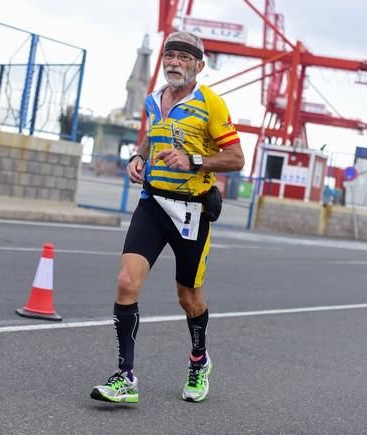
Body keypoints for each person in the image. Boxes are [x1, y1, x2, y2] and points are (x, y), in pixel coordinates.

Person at [90, 31, 245, 404]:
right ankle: (125, 377)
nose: (173, 62)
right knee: (127, 282)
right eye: (169, 55)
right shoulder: (153, 101)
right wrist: (138, 157)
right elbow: (151, 136)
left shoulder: (211, 105)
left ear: (199, 65)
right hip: (153, 204)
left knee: (188, 298)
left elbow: (237, 158)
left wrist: (193, 160)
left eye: (182, 57)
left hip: (191, 210)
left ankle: (198, 362)